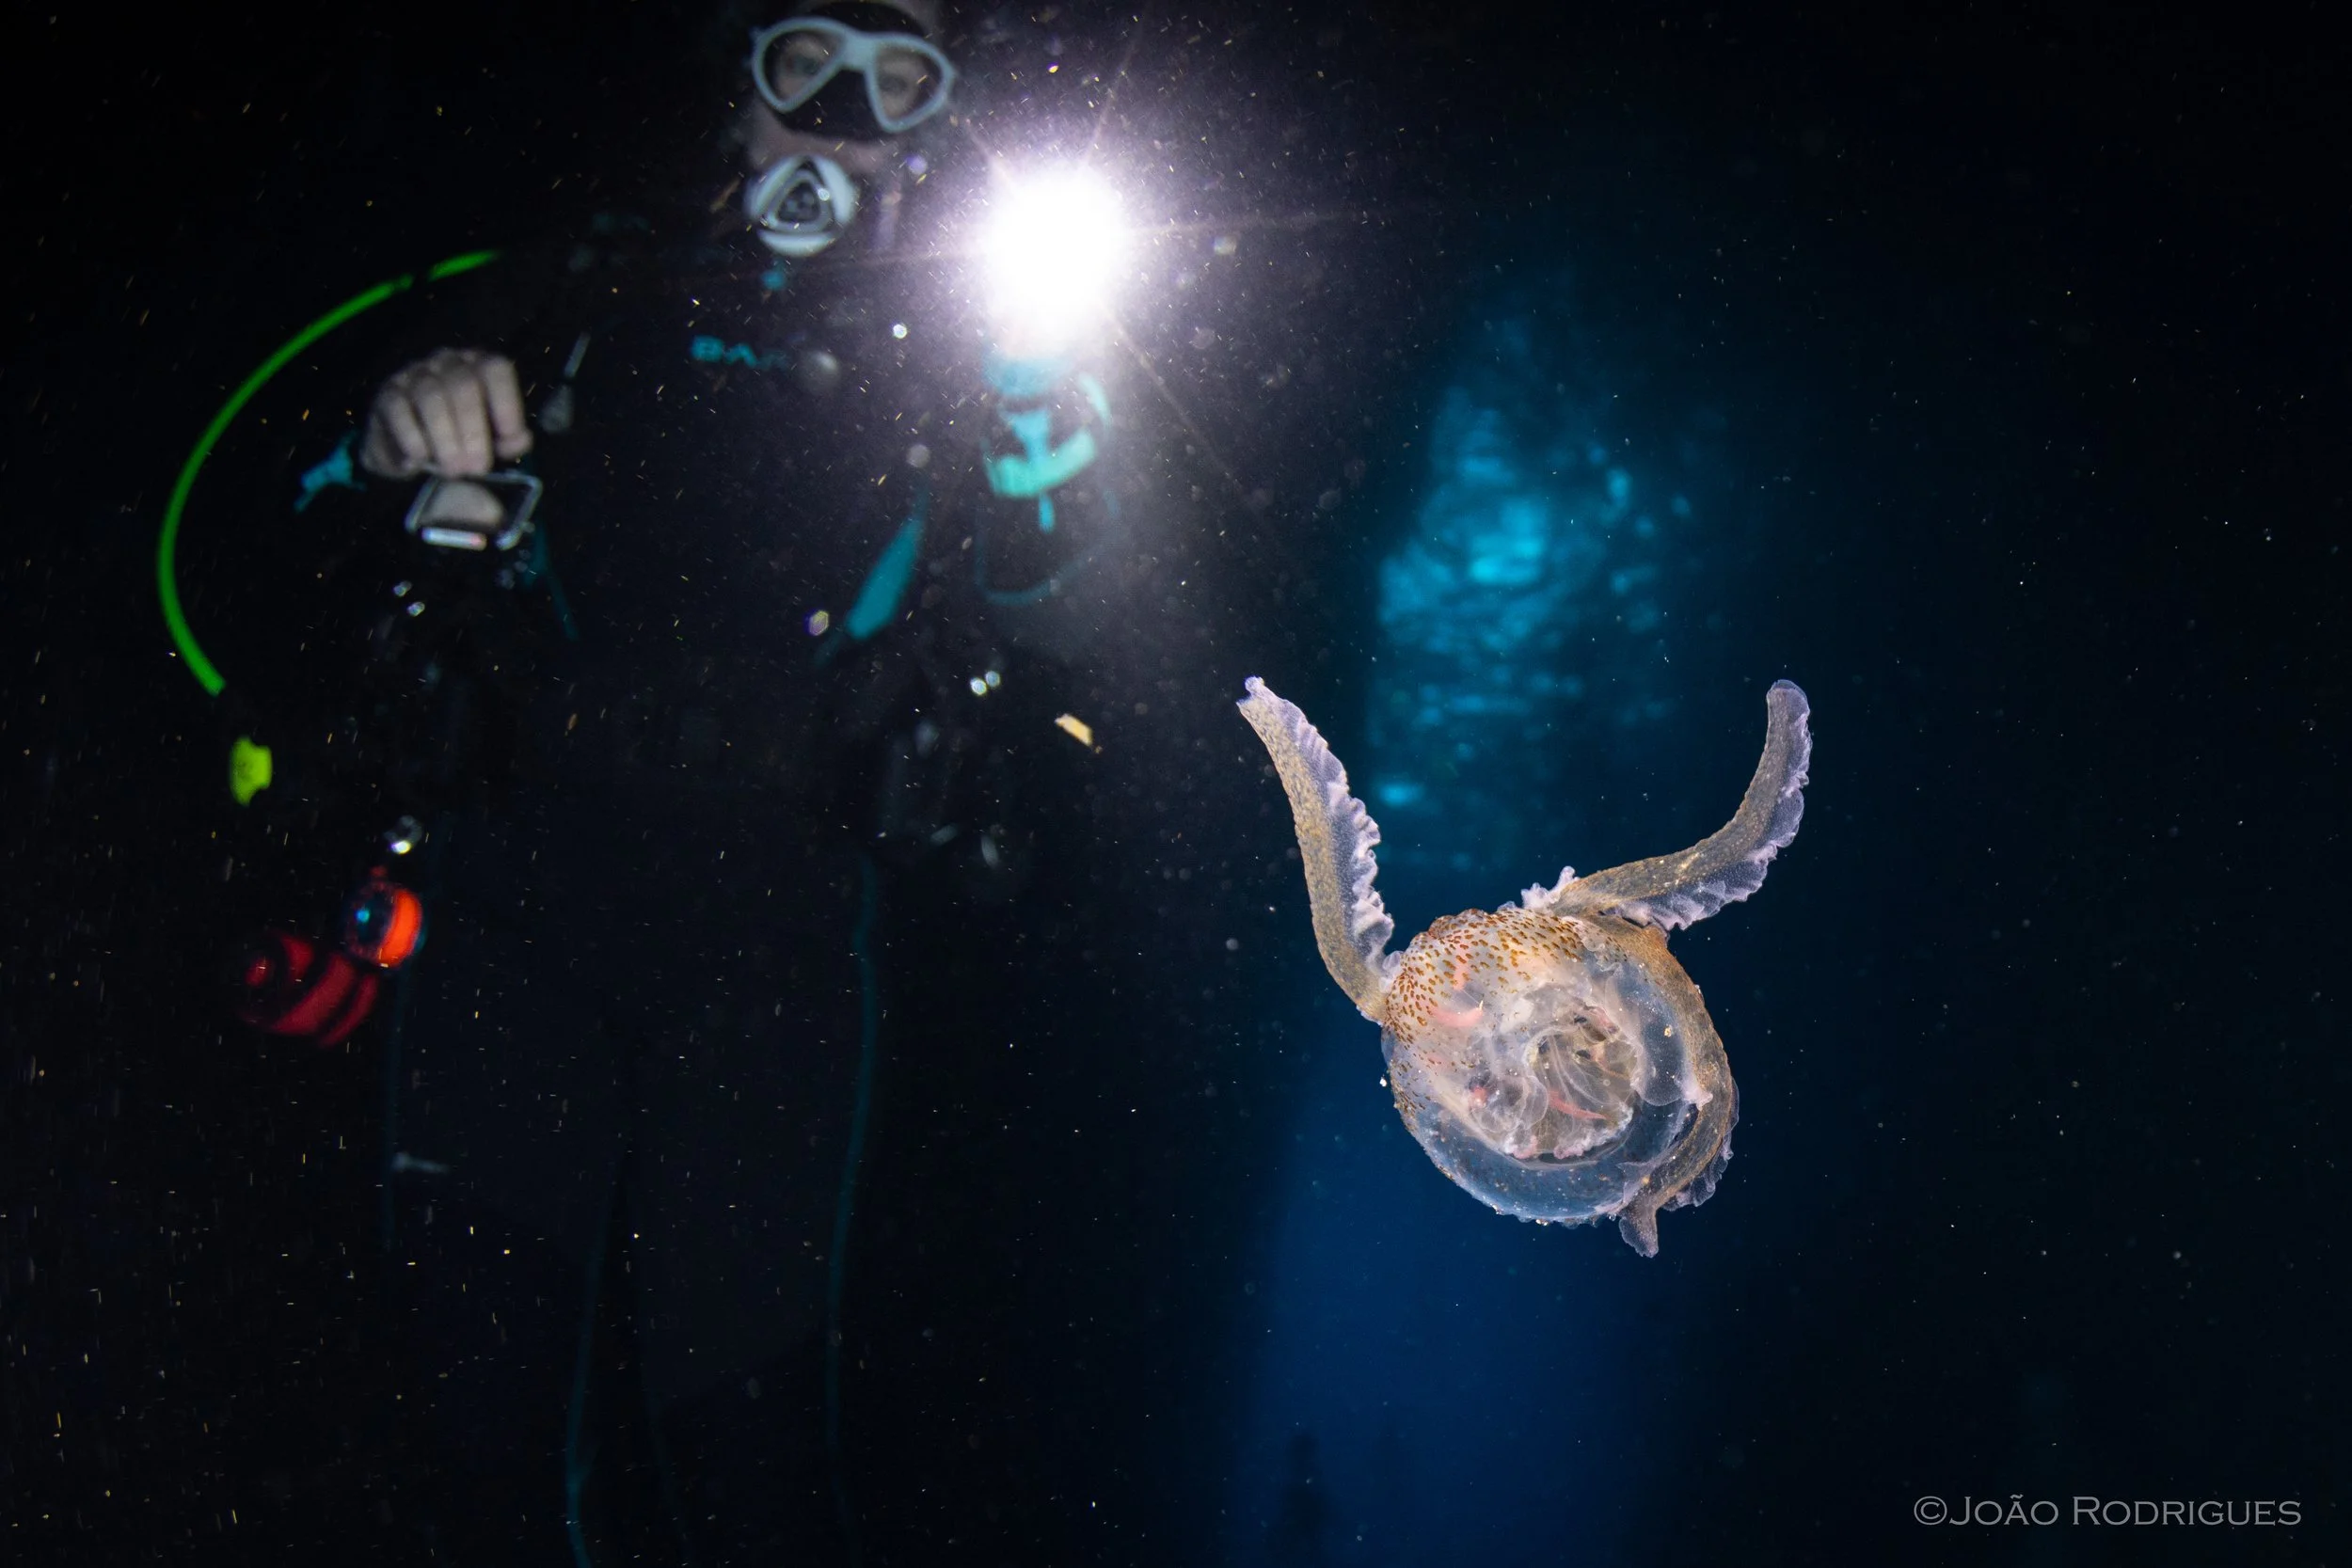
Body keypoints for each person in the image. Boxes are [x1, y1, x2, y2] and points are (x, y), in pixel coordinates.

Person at [281, 3, 1130, 1558]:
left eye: (896, 81)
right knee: (463, 1467)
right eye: (808, 58)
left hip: (773, 959)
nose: (838, 114)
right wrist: (391, 435)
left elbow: (1072, 611)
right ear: (737, 91)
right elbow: (275, 510)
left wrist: (1036, 404)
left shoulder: (973, 365)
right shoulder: (583, 291)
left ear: (933, 136)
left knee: (749, 1480)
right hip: (512, 917)